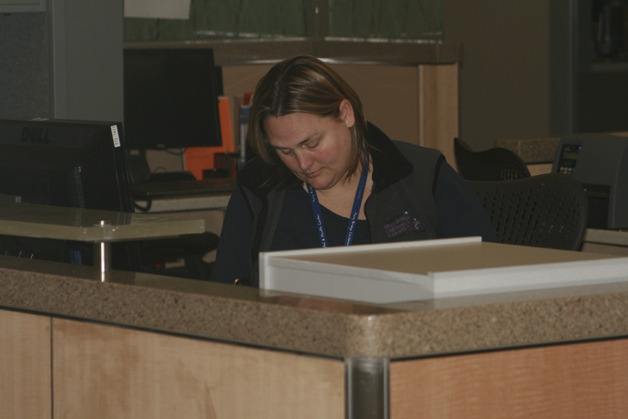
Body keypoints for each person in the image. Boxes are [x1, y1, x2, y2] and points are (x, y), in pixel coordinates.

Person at [211, 55, 495, 286]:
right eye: (285, 151)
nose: (303, 164)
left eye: (312, 143)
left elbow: (488, 276)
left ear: (346, 114)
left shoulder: (423, 176)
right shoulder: (259, 188)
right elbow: (228, 294)